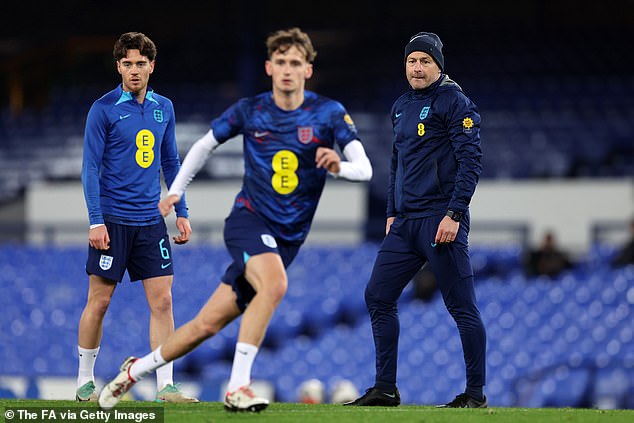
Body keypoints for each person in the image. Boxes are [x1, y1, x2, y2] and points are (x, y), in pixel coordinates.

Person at [98, 27, 372, 412]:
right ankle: (237, 387)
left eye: (296, 63)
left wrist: (340, 166)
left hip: (288, 239)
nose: (288, 70)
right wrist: (175, 190)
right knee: (274, 285)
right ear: (269, 67)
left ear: (308, 70)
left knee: (205, 326)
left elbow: (366, 168)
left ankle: (133, 372)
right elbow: (204, 144)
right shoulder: (251, 110)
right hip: (249, 222)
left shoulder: (328, 113)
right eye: (281, 62)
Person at [344, 32, 487, 408]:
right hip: (405, 223)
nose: (418, 67)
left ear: (439, 64)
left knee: (462, 308)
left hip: (441, 219)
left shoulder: (455, 102)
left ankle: (474, 394)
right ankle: (385, 389)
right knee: (377, 295)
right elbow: (397, 163)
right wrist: (392, 211)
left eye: (425, 61)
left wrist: (454, 213)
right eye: (412, 61)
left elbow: (472, 162)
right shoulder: (401, 106)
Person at [77, 32, 197, 404]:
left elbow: (171, 162)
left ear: (152, 66)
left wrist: (182, 211)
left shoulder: (165, 107)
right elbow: (89, 168)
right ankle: (84, 380)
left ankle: (166, 387)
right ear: (118, 66)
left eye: (140, 64)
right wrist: (95, 220)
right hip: (112, 220)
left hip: (150, 222)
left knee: (163, 302)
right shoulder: (104, 108)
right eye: (127, 63)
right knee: (99, 301)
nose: (134, 70)